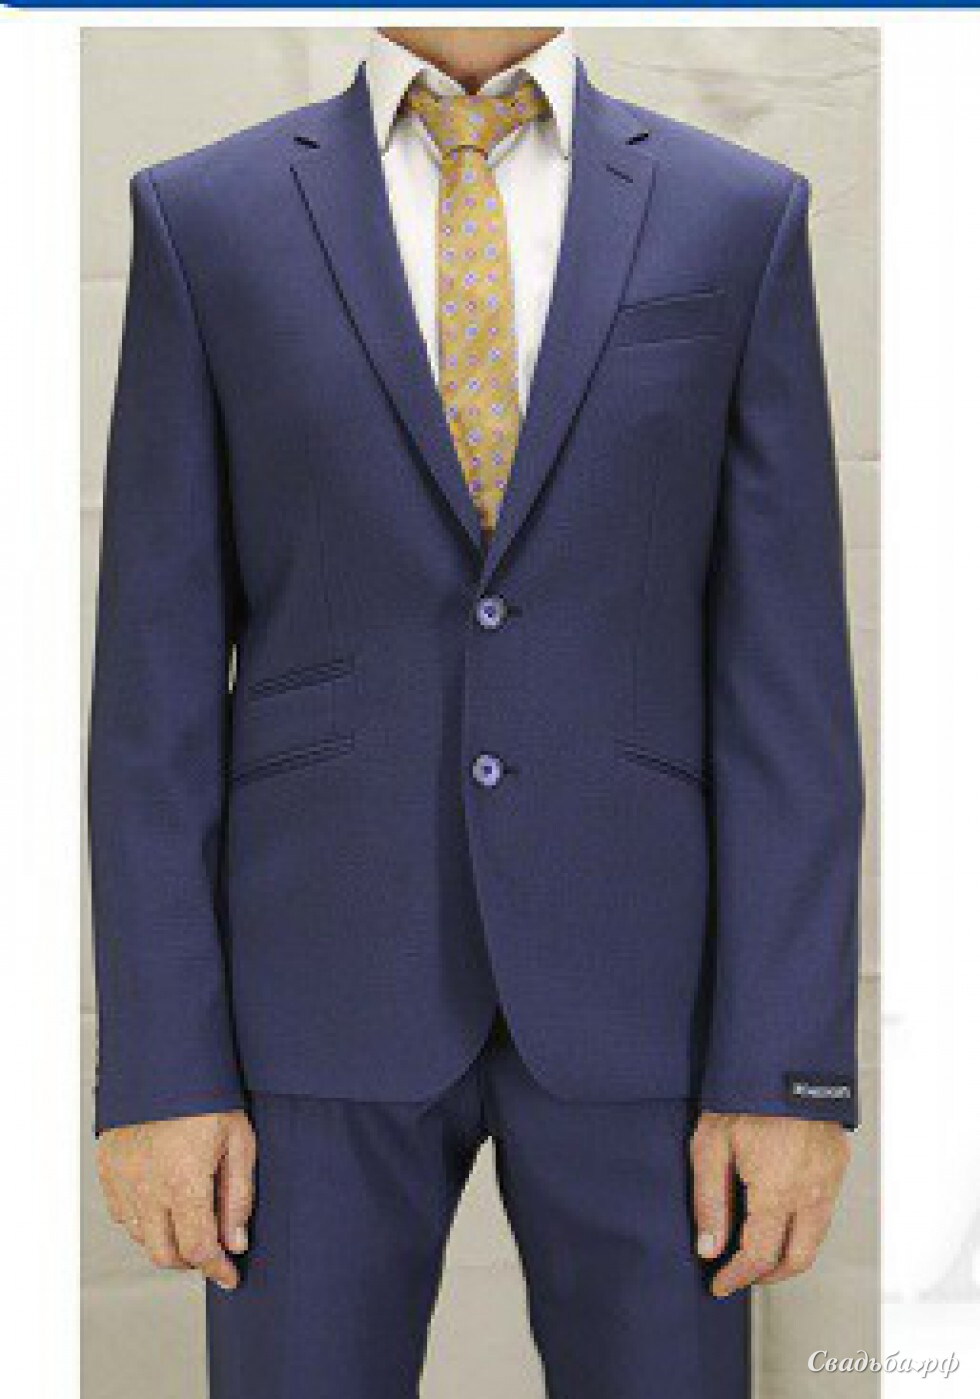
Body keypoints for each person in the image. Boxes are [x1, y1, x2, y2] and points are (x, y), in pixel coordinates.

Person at [89, 26, 863, 1399]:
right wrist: (161, 1068)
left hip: (654, 1010)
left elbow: (785, 676)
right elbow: (153, 691)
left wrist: (787, 1067)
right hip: (307, 1005)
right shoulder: (205, 217)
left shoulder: (735, 213)